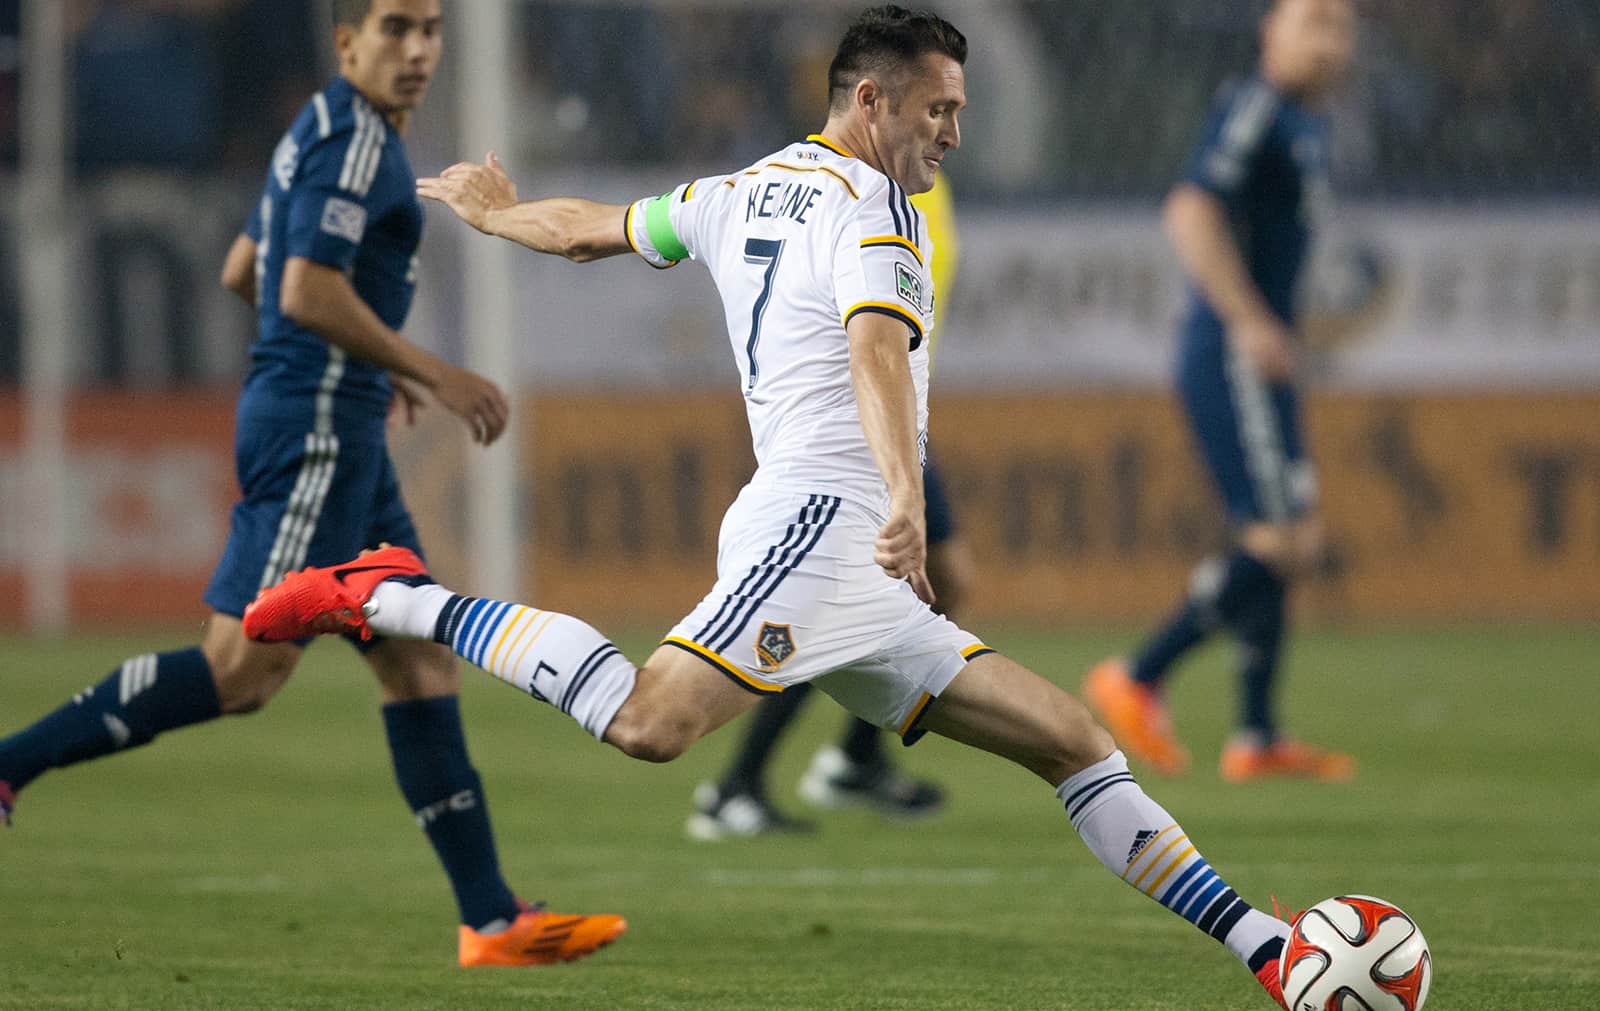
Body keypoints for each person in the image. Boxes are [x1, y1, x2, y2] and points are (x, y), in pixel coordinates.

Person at [247, 7, 1297, 1005]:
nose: (953, 133)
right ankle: (397, 595)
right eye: (939, 110)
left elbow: (587, 232)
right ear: (872, 100)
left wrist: (493, 214)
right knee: (648, 722)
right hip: (818, 530)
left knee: (1074, 741)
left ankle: (1270, 952)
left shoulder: (740, 188)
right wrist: (904, 495)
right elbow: (875, 349)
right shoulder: (878, 212)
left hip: (852, 561)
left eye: (959, 111)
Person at [0, 0, 624, 968]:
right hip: (317, 438)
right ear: (346, 42)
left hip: (341, 429)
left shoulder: (317, 128)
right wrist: (428, 372)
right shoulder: (357, 145)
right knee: (239, 670)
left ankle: (492, 920)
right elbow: (300, 289)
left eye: (430, 29)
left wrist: (362, 363)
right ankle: (10, 763)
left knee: (417, 661)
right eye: (394, 29)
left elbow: (241, 268)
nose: (417, 50)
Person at [1083, 0, 1358, 784]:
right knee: (1278, 541)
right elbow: (1190, 207)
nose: (1327, 43)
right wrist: (1249, 319)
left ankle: (1257, 734)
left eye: (1340, 28)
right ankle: (1139, 674)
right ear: (1271, 31)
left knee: (1292, 536)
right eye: (1311, 23)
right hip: (1235, 351)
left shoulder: (1308, 122)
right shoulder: (1257, 108)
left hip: (1262, 353)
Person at [686, 170, 973, 840]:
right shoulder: (857, 194)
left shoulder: (921, 183)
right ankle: (736, 783)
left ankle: (854, 757)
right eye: (937, 116)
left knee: (945, 578)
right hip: (854, 423)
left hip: (897, 414)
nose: (948, 128)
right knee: (824, 604)